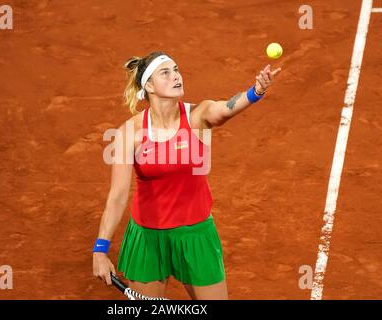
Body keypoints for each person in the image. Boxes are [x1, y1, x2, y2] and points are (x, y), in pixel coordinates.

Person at [92, 51, 281, 299]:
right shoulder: (131, 132)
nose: (176, 76)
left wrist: (255, 91)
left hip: (195, 235)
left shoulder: (197, 116)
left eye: (177, 70)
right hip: (149, 238)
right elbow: (117, 197)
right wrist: (100, 249)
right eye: (166, 72)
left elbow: (224, 109)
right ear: (149, 85)